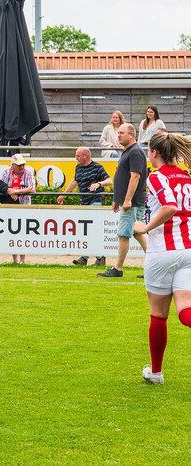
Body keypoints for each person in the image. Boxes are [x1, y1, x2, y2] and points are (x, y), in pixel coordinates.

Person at [131, 132, 191, 384]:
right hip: (188, 250)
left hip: (162, 252)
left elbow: (169, 207)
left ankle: (156, 372)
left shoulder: (156, 177)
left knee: (158, 315)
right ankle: (155, 372)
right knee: (185, 309)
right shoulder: (187, 177)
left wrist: (144, 228)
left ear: (154, 152)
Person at [98, 123, 148, 278]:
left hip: (132, 202)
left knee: (125, 234)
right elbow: (124, 178)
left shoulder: (135, 152)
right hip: (129, 201)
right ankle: (153, 267)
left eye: (121, 133)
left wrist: (127, 200)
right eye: (118, 132)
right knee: (137, 233)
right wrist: (118, 199)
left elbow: (135, 177)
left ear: (131, 135)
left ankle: (117, 269)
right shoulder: (129, 151)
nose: (118, 135)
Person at [57, 147, 113, 266]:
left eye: (78, 155)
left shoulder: (97, 167)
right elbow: (74, 181)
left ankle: (98, 257)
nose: (75, 158)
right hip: (84, 203)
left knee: (94, 230)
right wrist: (63, 195)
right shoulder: (78, 167)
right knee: (86, 231)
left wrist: (98, 184)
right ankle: (86, 257)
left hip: (96, 201)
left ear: (86, 156)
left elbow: (110, 180)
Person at [0, 154, 36, 264]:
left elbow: (32, 189)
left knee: (23, 232)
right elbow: (0, 185)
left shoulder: (28, 172)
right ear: (13, 165)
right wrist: (10, 191)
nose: (22, 167)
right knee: (12, 232)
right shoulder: (6, 172)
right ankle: (14, 259)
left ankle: (23, 260)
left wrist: (16, 192)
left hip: (24, 206)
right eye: (19, 165)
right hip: (10, 205)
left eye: (23, 165)